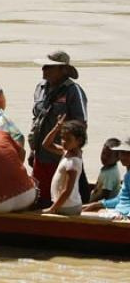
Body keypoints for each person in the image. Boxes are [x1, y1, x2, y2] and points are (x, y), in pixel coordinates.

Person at [28, 50, 88, 208]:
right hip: (40, 154)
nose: (44, 69)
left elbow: (81, 125)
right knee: (39, 197)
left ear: (64, 70)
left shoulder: (73, 91)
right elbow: (36, 120)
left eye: (49, 67)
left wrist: (72, 153)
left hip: (60, 155)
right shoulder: (40, 88)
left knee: (60, 196)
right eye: (44, 66)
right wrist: (32, 150)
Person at [41, 116, 86, 215]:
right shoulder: (66, 152)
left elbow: (67, 190)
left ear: (79, 141)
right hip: (64, 204)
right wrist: (56, 128)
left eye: (68, 139)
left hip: (68, 207)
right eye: (62, 138)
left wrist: (52, 208)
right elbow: (46, 144)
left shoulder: (73, 162)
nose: (63, 142)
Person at [83, 138, 130, 219]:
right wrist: (100, 204)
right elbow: (120, 199)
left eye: (127, 153)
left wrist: (126, 217)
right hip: (119, 210)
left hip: (124, 214)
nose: (122, 156)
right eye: (121, 152)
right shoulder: (127, 175)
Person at [89, 138, 123, 203]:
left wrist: (90, 202)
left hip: (105, 204)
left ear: (118, 158)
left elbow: (105, 194)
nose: (104, 157)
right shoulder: (107, 168)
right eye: (103, 153)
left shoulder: (110, 173)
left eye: (109, 155)